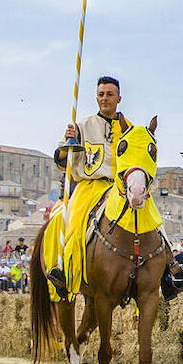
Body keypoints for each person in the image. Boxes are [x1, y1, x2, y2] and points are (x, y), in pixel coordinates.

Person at [39, 75, 130, 300]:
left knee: (153, 220)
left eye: (109, 94)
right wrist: (66, 145)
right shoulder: (81, 127)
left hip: (121, 187)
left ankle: (170, 269)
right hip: (90, 186)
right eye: (101, 94)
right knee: (73, 224)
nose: (105, 99)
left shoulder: (130, 128)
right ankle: (66, 271)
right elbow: (62, 162)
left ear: (119, 98)